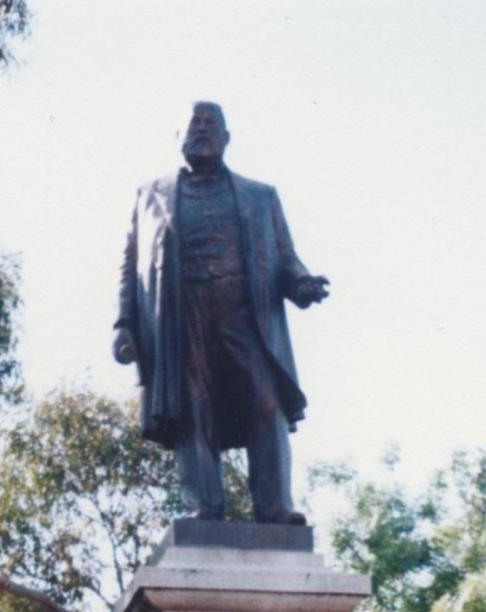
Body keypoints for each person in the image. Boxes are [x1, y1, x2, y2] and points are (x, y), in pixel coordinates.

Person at [113, 101, 329, 525]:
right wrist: (123, 324)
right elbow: (130, 265)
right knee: (193, 408)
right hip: (179, 318)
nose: (202, 129)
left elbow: (285, 257)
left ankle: (274, 507)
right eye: (194, 122)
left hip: (244, 317)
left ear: (228, 138)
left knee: (267, 405)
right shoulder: (149, 195)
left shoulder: (261, 196)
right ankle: (206, 507)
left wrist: (301, 284)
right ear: (178, 136)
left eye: (212, 123)